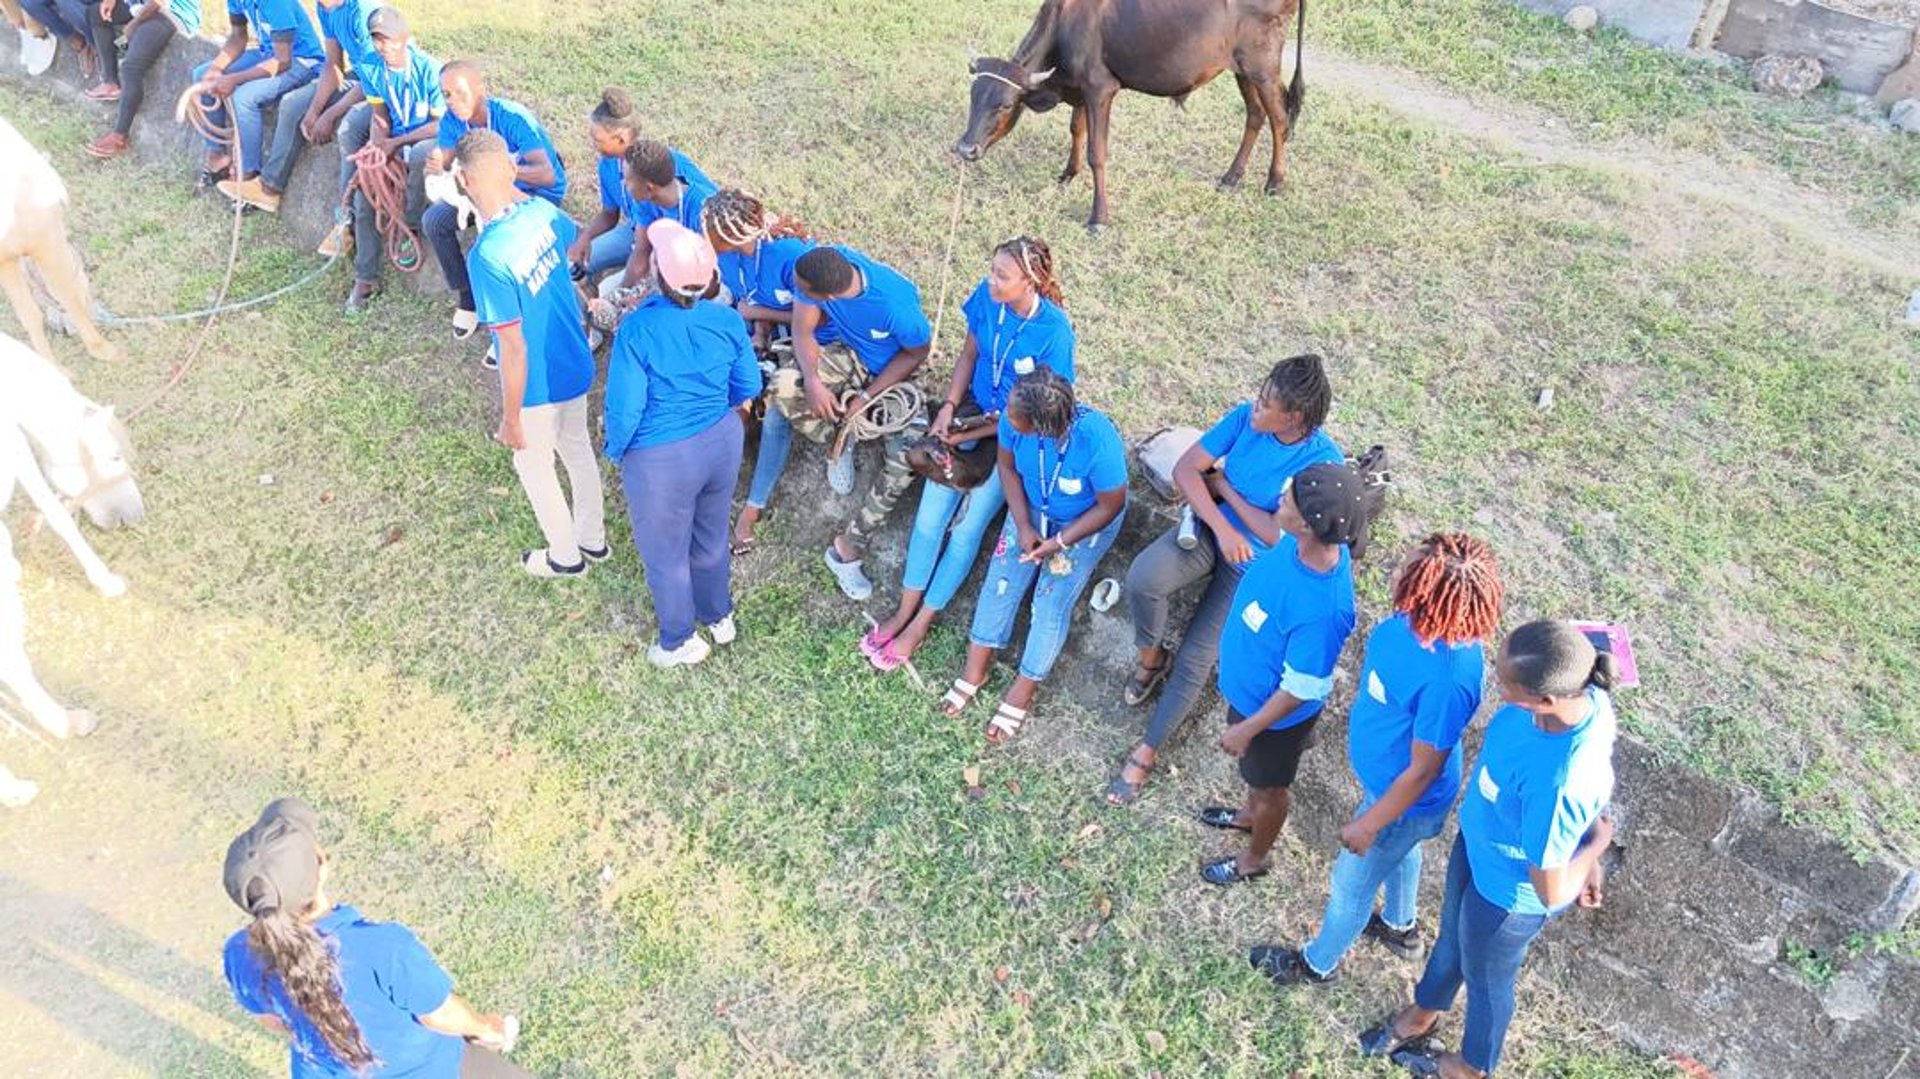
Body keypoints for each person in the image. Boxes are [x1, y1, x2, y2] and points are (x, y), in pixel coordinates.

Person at [1359, 619, 1618, 1079]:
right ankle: (1425, 1010)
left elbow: (1552, 890)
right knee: (1452, 940)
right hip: (1479, 844)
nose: (1495, 685)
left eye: (1505, 684)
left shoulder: (1559, 779)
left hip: (1507, 894)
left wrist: (1595, 845)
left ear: (1545, 700)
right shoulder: (1577, 679)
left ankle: (1472, 1066)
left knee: (1486, 979)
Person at [1247, 533, 1504, 986]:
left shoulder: (1448, 678)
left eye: (1408, 570)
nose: (1396, 571)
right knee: (1402, 855)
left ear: (1430, 593)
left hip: (1401, 803)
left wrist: (1370, 824)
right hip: (1385, 786)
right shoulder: (1415, 622)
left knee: (1351, 887)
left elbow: (1423, 770)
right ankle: (1401, 926)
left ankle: (1316, 963)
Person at [1107, 354, 1343, 804]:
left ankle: (1147, 751)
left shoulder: (1319, 462)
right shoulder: (1244, 420)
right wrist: (1223, 525)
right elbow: (1186, 471)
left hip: (1253, 573)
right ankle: (1151, 659)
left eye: (1266, 403)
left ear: (1292, 417)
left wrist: (1226, 487)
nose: (1254, 406)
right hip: (1209, 533)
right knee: (1144, 578)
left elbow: (1280, 535)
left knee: (1198, 656)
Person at [862, 237, 1075, 671]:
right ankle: (904, 610)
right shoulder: (986, 298)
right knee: (928, 520)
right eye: (992, 269)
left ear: (1030, 281)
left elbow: (1047, 405)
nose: (991, 280)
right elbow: (969, 353)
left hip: (1015, 432)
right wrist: (949, 411)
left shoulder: (1054, 332)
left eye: (1002, 275)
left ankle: (922, 622)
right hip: (969, 415)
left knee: (966, 530)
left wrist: (969, 435)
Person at [220, 797, 529, 1077]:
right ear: (322, 866)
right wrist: (489, 1029)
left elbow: (272, 1020)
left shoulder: (238, 954)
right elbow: (439, 1015)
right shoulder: (383, 949)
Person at [938, 369, 1127, 742]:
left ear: (1042, 426)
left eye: (1013, 417)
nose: (1005, 419)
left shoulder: (1096, 440)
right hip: (1030, 510)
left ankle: (1023, 690)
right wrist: (1023, 526)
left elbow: (1111, 505)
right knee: (1001, 580)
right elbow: (1007, 468)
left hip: (1084, 523)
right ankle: (976, 670)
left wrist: (1057, 544)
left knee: (1050, 600)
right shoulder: (1013, 418)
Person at [605, 221, 762, 668]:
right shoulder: (728, 319)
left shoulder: (637, 329)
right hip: (721, 442)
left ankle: (677, 640)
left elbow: (625, 408)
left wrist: (617, 449)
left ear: (659, 273)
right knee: (710, 535)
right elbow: (748, 383)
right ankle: (718, 615)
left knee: (665, 553)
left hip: (660, 458)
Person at [1197, 461, 1362, 886]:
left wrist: (1248, 730)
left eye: (1287, 499)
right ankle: (1248, 815)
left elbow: (1302, 687)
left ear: (1307, 525)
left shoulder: (1323, 610)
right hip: (1249, 696)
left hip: (1271, 721)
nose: (1279, 499)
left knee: (1271, 788)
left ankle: (1255, 859)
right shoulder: (1300, 543)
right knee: (1255, 778)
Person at [458, 130, 607, 578]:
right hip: (574, 357)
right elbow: (572, 255)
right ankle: (593, 542)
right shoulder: (542, 212)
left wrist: (510, 418)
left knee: (534, 464)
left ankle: (565, 558)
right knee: (578, 450)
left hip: (536, 383)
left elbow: (512, 345)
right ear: (509, 168)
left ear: (465, 181)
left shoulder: (487, 256)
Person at [747, 245, 932, 601]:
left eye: (803, 291)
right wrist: (814, 382)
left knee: (907, 457)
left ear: (829, 295)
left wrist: (865, 399)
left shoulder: (896, 307)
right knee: (782, 387)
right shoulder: (819, 269)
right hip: (848, 356)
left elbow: (917, 352)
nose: (796, 289)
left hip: (893, 377)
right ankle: (839, 439)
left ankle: (847, 547)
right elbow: (802, 332)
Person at [702, 188, 816, 554]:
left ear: (733, 235)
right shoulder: (732, 261)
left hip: (810, 342)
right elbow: (749, 300)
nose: (706, 241)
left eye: (711, 235)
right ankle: (713, 482)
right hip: (762, 335)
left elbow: (816, 318)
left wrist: (758, 318)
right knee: (728, 393)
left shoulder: (790, 256)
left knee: (778, 413)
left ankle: (753, 507)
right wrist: (758, 333)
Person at [424, 60, 567, 340]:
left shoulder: (512, 117)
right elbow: (449, 157)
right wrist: (440, 162)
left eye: (459, 92)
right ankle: (469, 297)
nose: (452, 100)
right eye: (446, 94)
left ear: (480, 89)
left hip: (533, 193)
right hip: (484, 195)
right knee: (434, 221)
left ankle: (515, 320)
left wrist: (495, 173)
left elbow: (547, 175)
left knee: (500, 246)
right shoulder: (453, 121)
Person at [217, 0, 376, 209]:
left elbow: (377, 78)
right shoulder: (325, 7)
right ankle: (268, 189)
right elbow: (334, 65)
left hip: (382, 83)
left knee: (348, 129)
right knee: (293, 104)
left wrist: (330, 114)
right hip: (359, 75)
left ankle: (345, 217)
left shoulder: (361, 11)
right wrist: (313, 111)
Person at [338, 6, 443, 314]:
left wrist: (396, 143)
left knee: (423, 154)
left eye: (390, 40)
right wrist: (377, 144)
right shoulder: (370, 67)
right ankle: (366, 277)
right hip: (395, 140)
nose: (384, 47)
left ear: (405, 38)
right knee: (365, 193)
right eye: (377, 40)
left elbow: (440, 125)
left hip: (424, 139)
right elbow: (380, 116)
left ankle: (409, 228)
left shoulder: (428, 69)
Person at [565, 88, 714, 285]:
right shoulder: (608, 166)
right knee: (577, 264)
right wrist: (585, 238)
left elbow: (714, 205)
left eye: (598, 140)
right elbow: (610, 215)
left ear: (621, 139)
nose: (593, 145)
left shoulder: (666, 163)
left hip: (679, 250)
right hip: (638, 233)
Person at [185, 0, 324, 194]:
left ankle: (248, 175)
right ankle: (217, 160)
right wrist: (216, 69)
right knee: (201, 75)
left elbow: (283, 61)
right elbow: (238, 36)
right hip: (268, 54)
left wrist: (234, 78)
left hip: (300, 61)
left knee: (244, 98)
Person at [72, 0, 199, 159]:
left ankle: (120, 137)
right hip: (144, 9)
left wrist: (134, 24)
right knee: (96, 13)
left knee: (131, 68)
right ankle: (110, 82)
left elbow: (159, 3)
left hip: (170, 14)